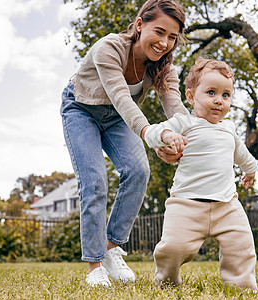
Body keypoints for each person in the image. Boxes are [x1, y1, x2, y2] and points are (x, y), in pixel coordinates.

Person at [60, 0, 189, 287]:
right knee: (94, 182)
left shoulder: (164, 68)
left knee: (139, 170)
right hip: (81, 108)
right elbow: (120, 98)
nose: (164, 43)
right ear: (140, 25)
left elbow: (175, 109)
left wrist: (186, 140)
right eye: (159, 31)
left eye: (172, 37)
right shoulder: (109, 48)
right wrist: (154, 136)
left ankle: (110, 249)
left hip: (118, 118)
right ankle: (95, 266)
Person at [143, 58, 258, 290]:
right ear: (191, 97)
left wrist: (251, 170)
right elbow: (152, 132)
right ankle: (167, 282)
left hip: (227, 205)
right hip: (186, 204)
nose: (219, 100)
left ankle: (241, 286)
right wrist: (166, 135)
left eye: (226, 95)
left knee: (241, 245)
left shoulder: (229, 129)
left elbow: (242, 154)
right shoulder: (184, 122)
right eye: (211, 92)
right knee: (173, 248)